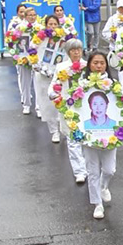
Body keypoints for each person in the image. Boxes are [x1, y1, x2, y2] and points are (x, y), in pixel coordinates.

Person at [75, 51, 118, 219]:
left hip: (109, 135)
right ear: (89, 65)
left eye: (102, 63)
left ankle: (103, 186)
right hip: (89, 136)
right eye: (95, 63)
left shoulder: (114, 86)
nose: (99, 66)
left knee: (110, 170)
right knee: (92, 170)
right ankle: (97, 204)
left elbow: (122, 106)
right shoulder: (82, 85)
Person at [52, 39, 89, 186]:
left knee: (86, 138)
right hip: (69, 107)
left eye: (78, 49)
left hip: (86, 107)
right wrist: (53, 94)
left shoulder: (88, 65)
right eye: (73, 50)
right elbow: (54, 85)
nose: (76, 53)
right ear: (68, 52)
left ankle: (89, 166)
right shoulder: (61, 67)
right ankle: (79, 171)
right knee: (72, 139)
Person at [36, 16, 67, 144]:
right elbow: (34, 55)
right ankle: (54, 131)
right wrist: (40, 68)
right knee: (48, 104)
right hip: (44, 77)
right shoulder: (40, 39)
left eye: (55, 24)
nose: (53, 26)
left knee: (62, 101)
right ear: (46, 25)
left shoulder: (64, 38)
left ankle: (64, 128)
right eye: (50, 24)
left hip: (60, 76)